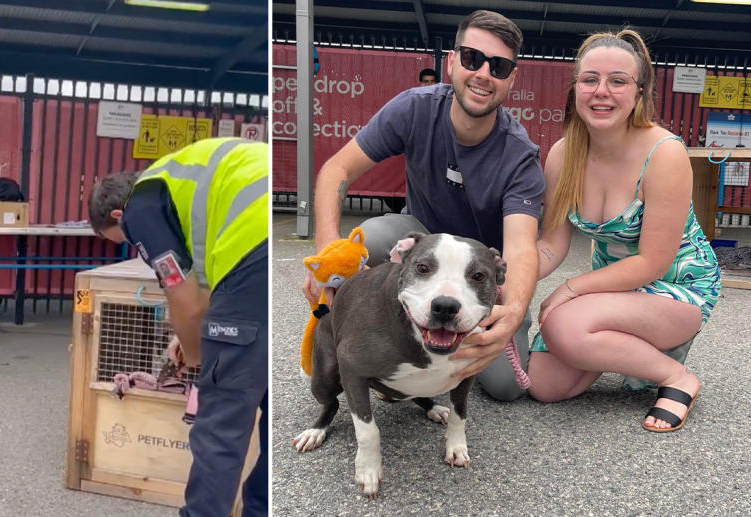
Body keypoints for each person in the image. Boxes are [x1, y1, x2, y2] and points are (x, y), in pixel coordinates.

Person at [302, 10, 544, 402]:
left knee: (505, 386)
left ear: (511, 79)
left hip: (476, 270)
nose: (483, 73)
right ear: (451, 61)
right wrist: (328, 256)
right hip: (420, 239)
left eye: (498, 66)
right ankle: (378, 346)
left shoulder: (519, 157)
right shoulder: (414, 108)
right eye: (471, 58)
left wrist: (513, 310)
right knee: (375, 236)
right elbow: (336, 169)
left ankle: (448, 349)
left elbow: (520, 248)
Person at [526, 29, 720, 433]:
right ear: (575, 87)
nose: (602, 91)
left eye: (618, 81)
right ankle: (620, 345)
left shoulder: (664, 153)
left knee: (563, 324)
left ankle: (675, 377)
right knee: (544, 386)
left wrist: (569, 290)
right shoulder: (563, 154)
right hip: (613, 289)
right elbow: (551, 244)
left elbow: (653, 261)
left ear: (639, 92)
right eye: (590, 79)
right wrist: (504, 279)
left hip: (677, 286)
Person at [89, 137, 268, 517]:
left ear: (119, 217)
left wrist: (199, 358)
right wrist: (185, 336)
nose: (135, 248)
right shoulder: (178, 183)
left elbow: (185, 303)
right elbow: (200, 290)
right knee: (267, 396)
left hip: (253, 248)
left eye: (121, 242)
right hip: (266, 244)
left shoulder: (140, 207)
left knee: (222, 415)